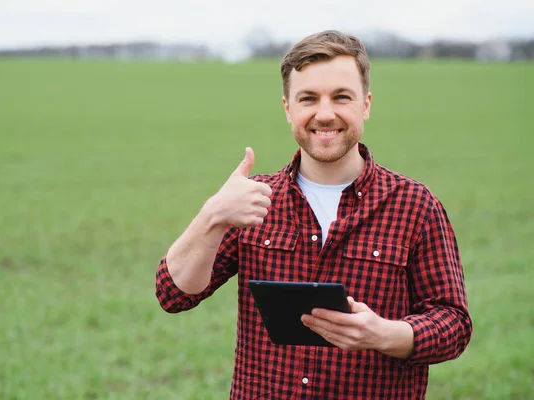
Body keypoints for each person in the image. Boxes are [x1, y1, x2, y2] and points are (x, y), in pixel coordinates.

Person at [155, 30, 472, 399]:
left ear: (365, 104)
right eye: (308, 98)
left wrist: (384, 334)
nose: (325, 114)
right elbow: (173, 294)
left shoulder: (415, 206)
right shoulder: (254, 201)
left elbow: (454, 324)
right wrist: (212, 216)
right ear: (288, 108)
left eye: (341, 97)